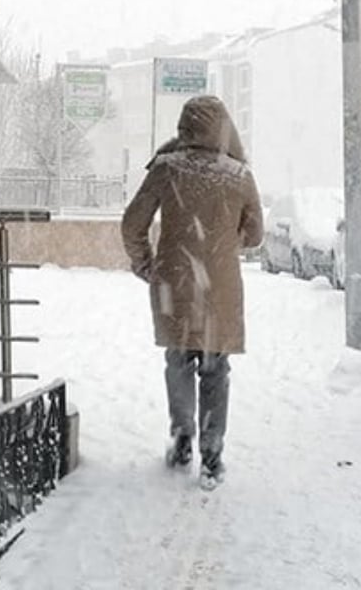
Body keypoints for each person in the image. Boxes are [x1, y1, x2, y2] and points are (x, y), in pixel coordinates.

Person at [121, 95, 263, 488]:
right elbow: (254, 236)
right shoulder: (237, 175)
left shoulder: (166, 168)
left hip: (176, 284)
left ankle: (183, 436)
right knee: (216, 369)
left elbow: (132, 224)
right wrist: (222, 239)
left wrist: (146, 264)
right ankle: (212, 453)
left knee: (179, 361)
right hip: (220, 289)